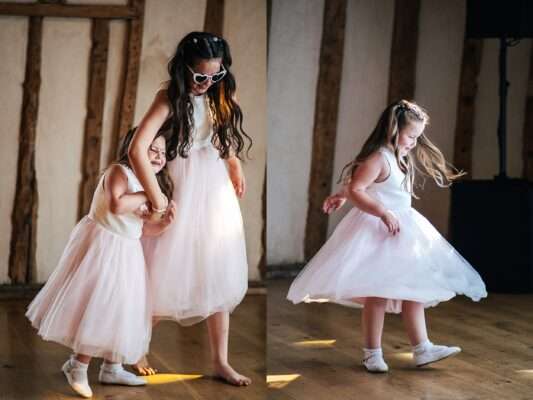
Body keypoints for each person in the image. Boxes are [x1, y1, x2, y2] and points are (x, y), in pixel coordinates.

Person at [287, 100, 487, 373]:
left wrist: (341, 195)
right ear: (393, 130)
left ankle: (422, 348)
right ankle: (372, 353)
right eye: (411, 136)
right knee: (377, 295)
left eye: (418, 137)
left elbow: (365, 185)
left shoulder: (399, 157)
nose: (415, 143)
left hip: (403, 230)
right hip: (378, 231)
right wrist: (379, 211)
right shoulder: (379, 157)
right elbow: (359, 187)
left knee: (413, 291)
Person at [128, 31, 252, 386]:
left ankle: (220, 361)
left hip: (213, 189)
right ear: (184, 69)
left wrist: (232, 163)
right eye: (200, 76)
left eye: (216, 75)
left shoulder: (217, 93)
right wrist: (156, 197)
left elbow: (219, 135)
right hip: (180, 184)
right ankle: (137, 347)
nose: (207, 83)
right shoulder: (169, 97)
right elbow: (138, 149)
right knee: (165, 269)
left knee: (218, 269)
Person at [26, 127, 175, 397]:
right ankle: (78, 366)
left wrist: (162, 224)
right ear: (135, 148)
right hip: (103, 247)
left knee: (121, 309)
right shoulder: (119, 171)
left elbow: (139, 229)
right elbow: (117, 206)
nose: (158, 156)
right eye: (152, 149)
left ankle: (112, 367)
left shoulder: (145, 185)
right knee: (99, 306)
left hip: (128, 251)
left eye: (163, 152)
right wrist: (150, 196)